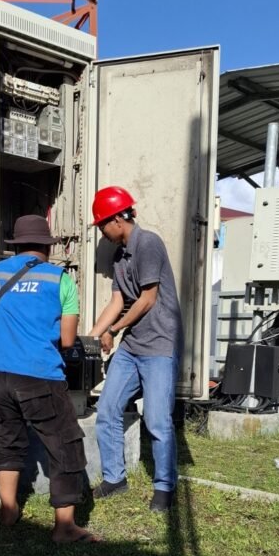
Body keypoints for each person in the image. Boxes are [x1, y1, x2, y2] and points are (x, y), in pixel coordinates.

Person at [0, 214, 99, 543]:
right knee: (65, 444)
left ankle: (8, 510)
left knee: (7, 440)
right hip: (37, 375)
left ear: (16, 245)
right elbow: (66, 339)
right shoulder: (59, 279)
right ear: (46, 246)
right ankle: (65, 528)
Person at [88, 186, 183, 513]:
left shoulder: (149, 243)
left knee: (156, 420)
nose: (102, 231)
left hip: (159, 344)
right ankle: (115, 478)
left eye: (102, 224)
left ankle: (164, 487)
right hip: (133, 345)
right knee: (107, 409)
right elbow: (118, 300)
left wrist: (114, 330)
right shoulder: (119, 256)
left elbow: (147, 299)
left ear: (118, 218)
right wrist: (94, 334)